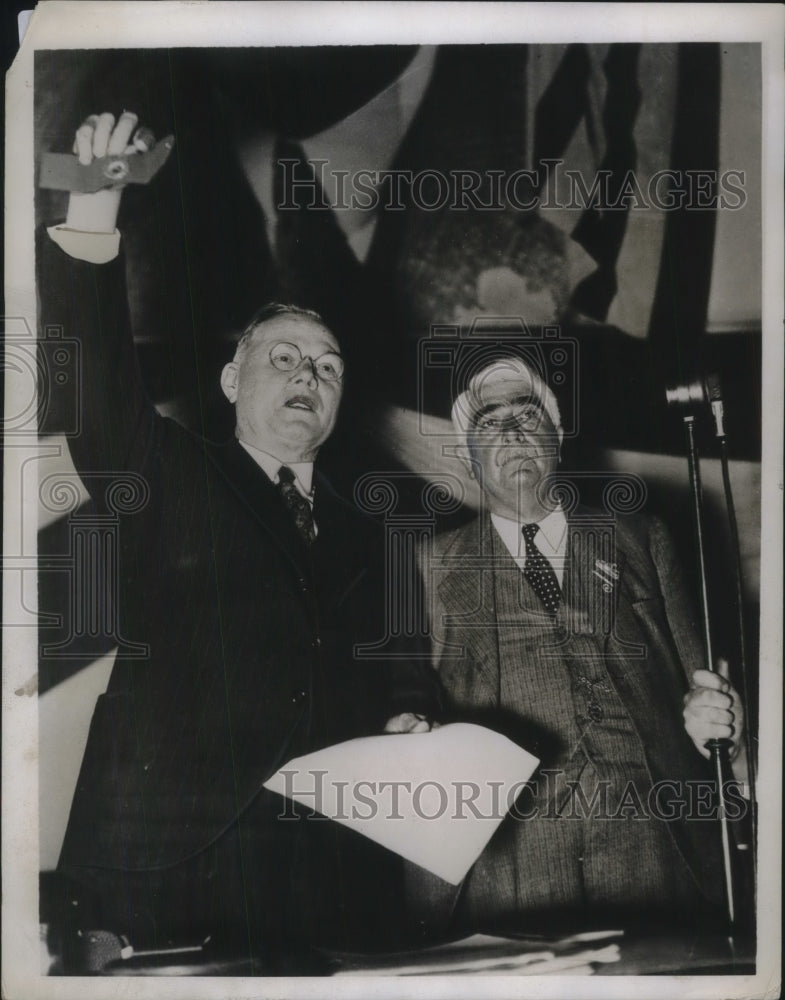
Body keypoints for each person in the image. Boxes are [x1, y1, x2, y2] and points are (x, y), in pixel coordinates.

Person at [40, 111, 442, 973]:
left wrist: (408, 719)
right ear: (230, 381)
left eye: (327, 366)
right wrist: (96, 203)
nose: (310, 376)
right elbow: (95, 379)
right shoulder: (166, 469)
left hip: (328, 881)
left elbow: (396, 666)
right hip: (169, 867)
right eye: (285, 358)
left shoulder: (377, 523)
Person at [412, 354, 749, 936]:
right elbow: (406, 702)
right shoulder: (430, 563)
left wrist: (724, 725)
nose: (514, 431)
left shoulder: (643, 537)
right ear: (468, 458)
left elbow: (706, 691)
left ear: (558, 438)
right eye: (491, 423)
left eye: (529, 414)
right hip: (508, 854)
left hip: (654, 840)